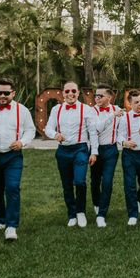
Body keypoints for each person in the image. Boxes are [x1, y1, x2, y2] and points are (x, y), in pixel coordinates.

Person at [0, 79, 36, 240]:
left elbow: (30, 130)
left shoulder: (22, 110)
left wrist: (21, 142)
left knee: (13, 188)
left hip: (12, 156)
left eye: (6, 93)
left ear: (13, 93)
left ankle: (12, 226)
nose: (2, 96)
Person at [45, 81, 98, 229]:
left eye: (73, 91)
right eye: (67, 91)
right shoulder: (56, 109)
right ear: (63, 93)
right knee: (66, 184)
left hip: (80, 149)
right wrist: (55, 134)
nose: (70, 94)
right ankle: (71, 214)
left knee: (80, 181)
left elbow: (93, 132)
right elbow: (48, 127)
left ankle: (80, 211)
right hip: (63, 151)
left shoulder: (86, 109)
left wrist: (94, 152)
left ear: (78, 93)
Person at [117, 90, 140, 226]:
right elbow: (119, 135)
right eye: (136, 102)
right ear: (130, 104)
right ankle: (132, 214)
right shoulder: (124, 118)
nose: (139, 104)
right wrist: (124, 142)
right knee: (129, 184)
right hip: (129, 155)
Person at [90, 84, 123, 228]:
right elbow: (97, 128)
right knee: (95, 180)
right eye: (96, 95)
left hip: (111, 150)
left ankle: (102, 214)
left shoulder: (117, 110)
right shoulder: (91, 111)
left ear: (109, 97)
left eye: (100, 96)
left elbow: (128, 121)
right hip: (95, 150)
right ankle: (97, 203)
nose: (97, 98)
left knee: (108, 181)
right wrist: (112, 115)